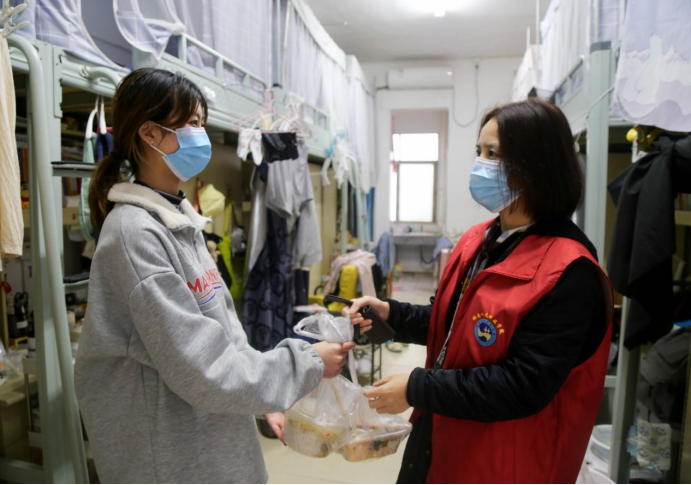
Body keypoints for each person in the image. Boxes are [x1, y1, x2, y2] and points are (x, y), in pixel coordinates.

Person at [74, 68, 355, 485]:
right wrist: (307, 363)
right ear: (150, 134)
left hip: (210, 439)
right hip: (169, 458)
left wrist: (263, 399)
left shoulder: (181, 222)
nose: (201, 136)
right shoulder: (134, 236)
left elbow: (226, 336)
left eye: (202, 123)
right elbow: (203, 368)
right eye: (191, 124)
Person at [348, 98, 614, 484]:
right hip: (442, 440)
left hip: (507, 463)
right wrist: (393, 314)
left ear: (536, 165)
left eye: (493, 154)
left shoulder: (570, 272)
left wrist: (418, 388)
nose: (480, 165)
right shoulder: (480, 241)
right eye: (479, 152)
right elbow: (454, 324)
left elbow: (523, 385)